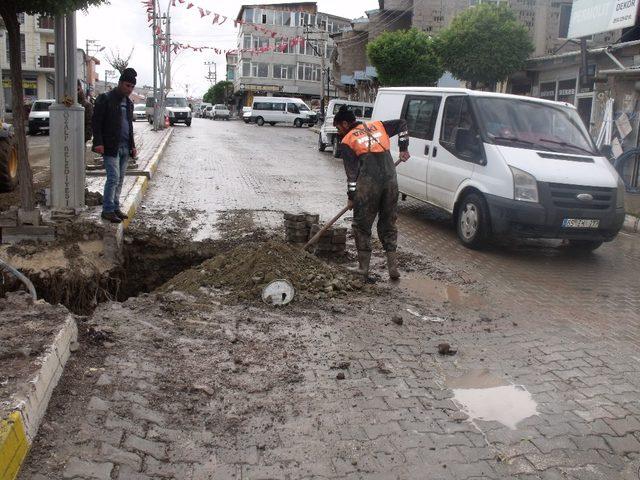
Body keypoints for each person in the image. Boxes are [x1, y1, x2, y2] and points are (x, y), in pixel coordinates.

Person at [334, 106, 410, 280]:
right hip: (391, 182)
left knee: (361, 226)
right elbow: (402, 123)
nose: (339, 132)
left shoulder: (348, 141)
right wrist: (403, 148)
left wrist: (351, 197)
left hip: (369, 187)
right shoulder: (377, 125)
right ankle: (393, 267)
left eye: (338, 127)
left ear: (345, 123)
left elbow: (352, 176)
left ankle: (363, 268)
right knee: (388, 223)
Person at [92, 68, 138, 223]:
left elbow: (129, 126)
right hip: (110, 146)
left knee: (120, 179)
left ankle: (116, 207)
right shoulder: (105, 98)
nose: (129, 89)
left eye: (132, 87)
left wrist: (133, 145)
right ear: (120, 83)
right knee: (113, 177)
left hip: (125, 146)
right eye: (127, 85)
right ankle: (107, 209)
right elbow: (96, 122)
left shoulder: (129, 103)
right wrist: (98, 142)